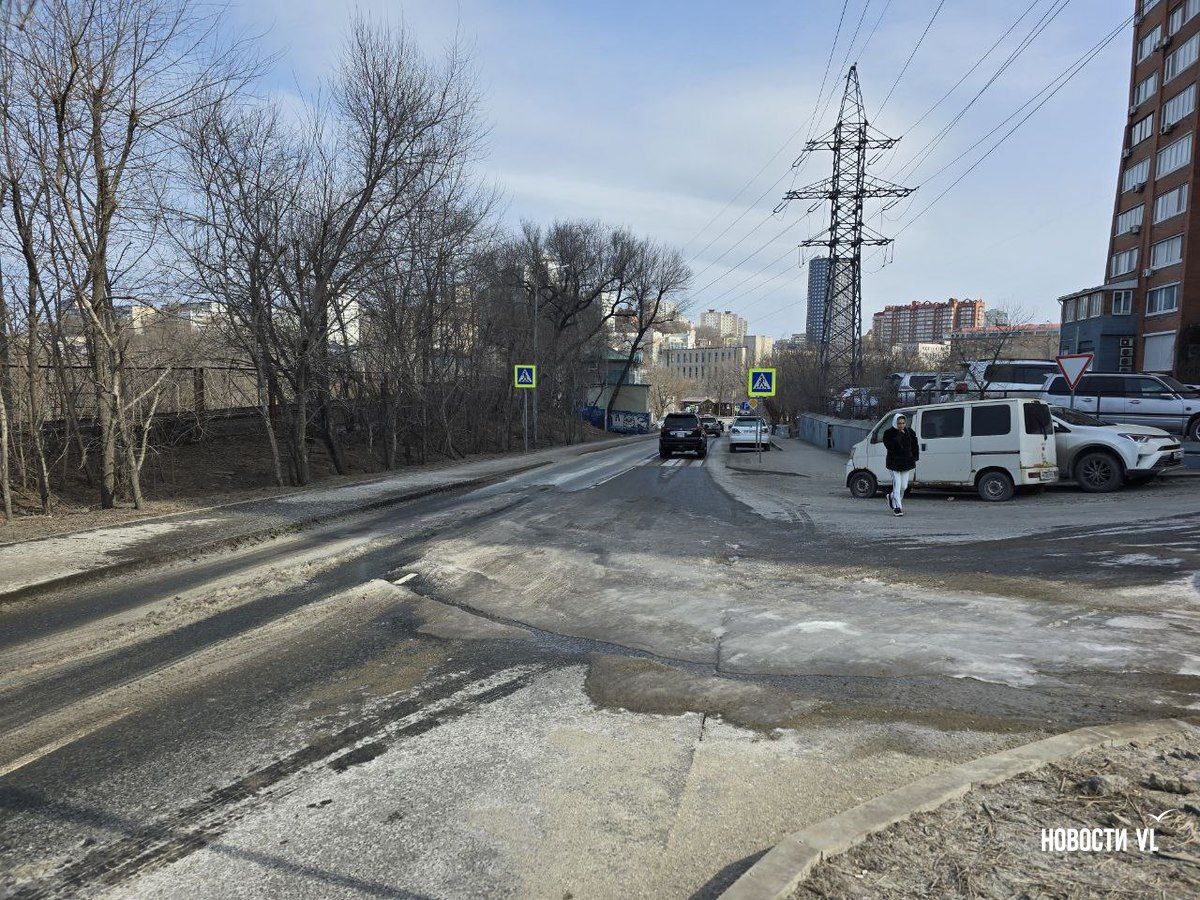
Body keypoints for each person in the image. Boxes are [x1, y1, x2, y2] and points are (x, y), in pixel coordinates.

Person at [882, 413, 919, 517]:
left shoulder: (910, 432)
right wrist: (899, 436)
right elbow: (890, 447)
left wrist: (914, 457)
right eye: (899, 423)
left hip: (906, 463)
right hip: (894, 464)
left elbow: (915, 446)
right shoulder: (888, 433)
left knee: (904, 486)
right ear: (895, 423)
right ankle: (897, 508)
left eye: (903, 423)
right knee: (897, 485)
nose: (901, 425)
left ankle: (891, 497)